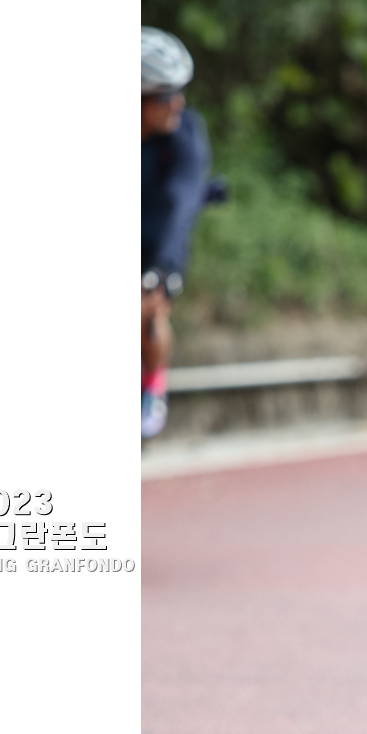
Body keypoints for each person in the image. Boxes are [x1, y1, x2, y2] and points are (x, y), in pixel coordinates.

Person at [141, 27, 212, 440]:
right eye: (166, 96)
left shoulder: (185, 133)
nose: (178, 104)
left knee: (146, 307)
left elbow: (181, 202)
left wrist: (165, 268)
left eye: (180, 92)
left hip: (157, 236)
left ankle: (151, 389)